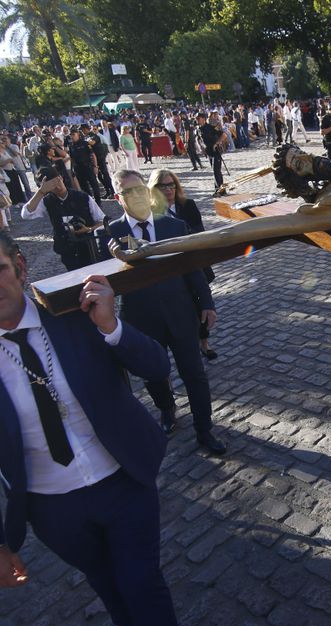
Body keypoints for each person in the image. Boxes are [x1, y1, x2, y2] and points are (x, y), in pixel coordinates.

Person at [0, 222, 191, 626]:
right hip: (51, 508)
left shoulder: (73, 313)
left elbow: (157, 365)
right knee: (107, 583)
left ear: (19, 267)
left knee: (142, 582)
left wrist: (112, 326)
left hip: (124, 480)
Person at [99, 169, 225, 454]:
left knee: (195, 374)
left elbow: (192, 268)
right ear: (119, 197)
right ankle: (167, 410)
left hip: (180, 314)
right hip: (140, 318)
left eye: (140, 189)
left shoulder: (173, 226)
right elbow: (105, 281)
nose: (137, 196)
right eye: (128, 191)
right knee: (154, 374)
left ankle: (204, 430)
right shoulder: (111, 234)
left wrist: (206, 303)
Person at [149, 169, 218, 360]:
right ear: (154, 188)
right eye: (163, 186)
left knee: (201, 304)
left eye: (172, 185)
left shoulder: (187, 205)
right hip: (170, 270)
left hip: (194, 264)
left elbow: (199, 232)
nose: (169, 190)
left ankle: (204, 342)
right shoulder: (151, 213)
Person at [22, 166, 106, 271]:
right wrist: (41, 192)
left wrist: (89, 229)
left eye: (57, 181)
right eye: (51, 186)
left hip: (89, 246)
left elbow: (103, 221)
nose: (57, 187)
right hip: (67, 249)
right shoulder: (47, 201)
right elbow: (26, 214)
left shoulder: (83, 197)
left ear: (61, 177)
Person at [198, 113, 224, 188]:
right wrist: (202, 148)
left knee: (216, 171)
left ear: (203, 119)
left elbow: (223, 135)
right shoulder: (199, 129)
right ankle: (220, 188)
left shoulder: (211, 127)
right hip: (209, 153)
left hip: (216, 151)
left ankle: (219, 189)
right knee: (215, 171)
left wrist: (217, 143)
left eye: (198, 118)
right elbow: (200, 139)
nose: (197, 120)